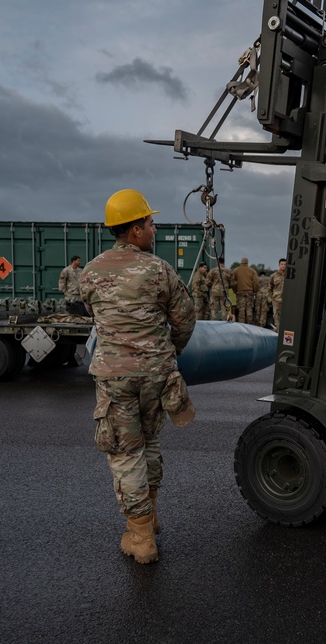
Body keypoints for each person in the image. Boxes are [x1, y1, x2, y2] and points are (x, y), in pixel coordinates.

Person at [79, 189, 196, 565]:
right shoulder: (159, 269)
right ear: (133, 231)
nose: (154, 228)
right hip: (156, 375)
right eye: (148, 223)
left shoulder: (92, 271)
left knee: (125, 452)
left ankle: (141, 537)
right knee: (149, 442)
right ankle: (152, 516)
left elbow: (93, 312)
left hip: (115, 378)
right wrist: (167, 352)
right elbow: (184, 318)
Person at [232, 257, 258, 324]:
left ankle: (242, 325)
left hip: (240, 292)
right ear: (247, 262)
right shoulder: (252, 271)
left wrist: (235, 291)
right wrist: (254, 290)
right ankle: (249, 324)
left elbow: (233, 283)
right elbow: (256, 282)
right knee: (249, 309)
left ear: (241, 262)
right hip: (249, 292)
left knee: (241, 310)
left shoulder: (236, 271)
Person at [207, 257, 234, 321]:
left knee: (214, 309)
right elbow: (232, 283)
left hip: (215, 292)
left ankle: (214, 322)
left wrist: (213, 286)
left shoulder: (212, 271)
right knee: (224, 309)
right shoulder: (228, 271)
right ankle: (224, 324)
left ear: (217, 262)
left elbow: (207, 282)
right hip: (224, 292)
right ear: (224, 262)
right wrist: (227, 287)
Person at [269, 258, 286, 330]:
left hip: (286, 300)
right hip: (276, 299)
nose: (283, 266)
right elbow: (270, 288)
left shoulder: (290, 276)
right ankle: (278, 330)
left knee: (285, 317)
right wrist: (269, 299)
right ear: (279, 265)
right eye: (282, 264)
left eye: (285, 264)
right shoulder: (274, 276)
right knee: (276, 316)